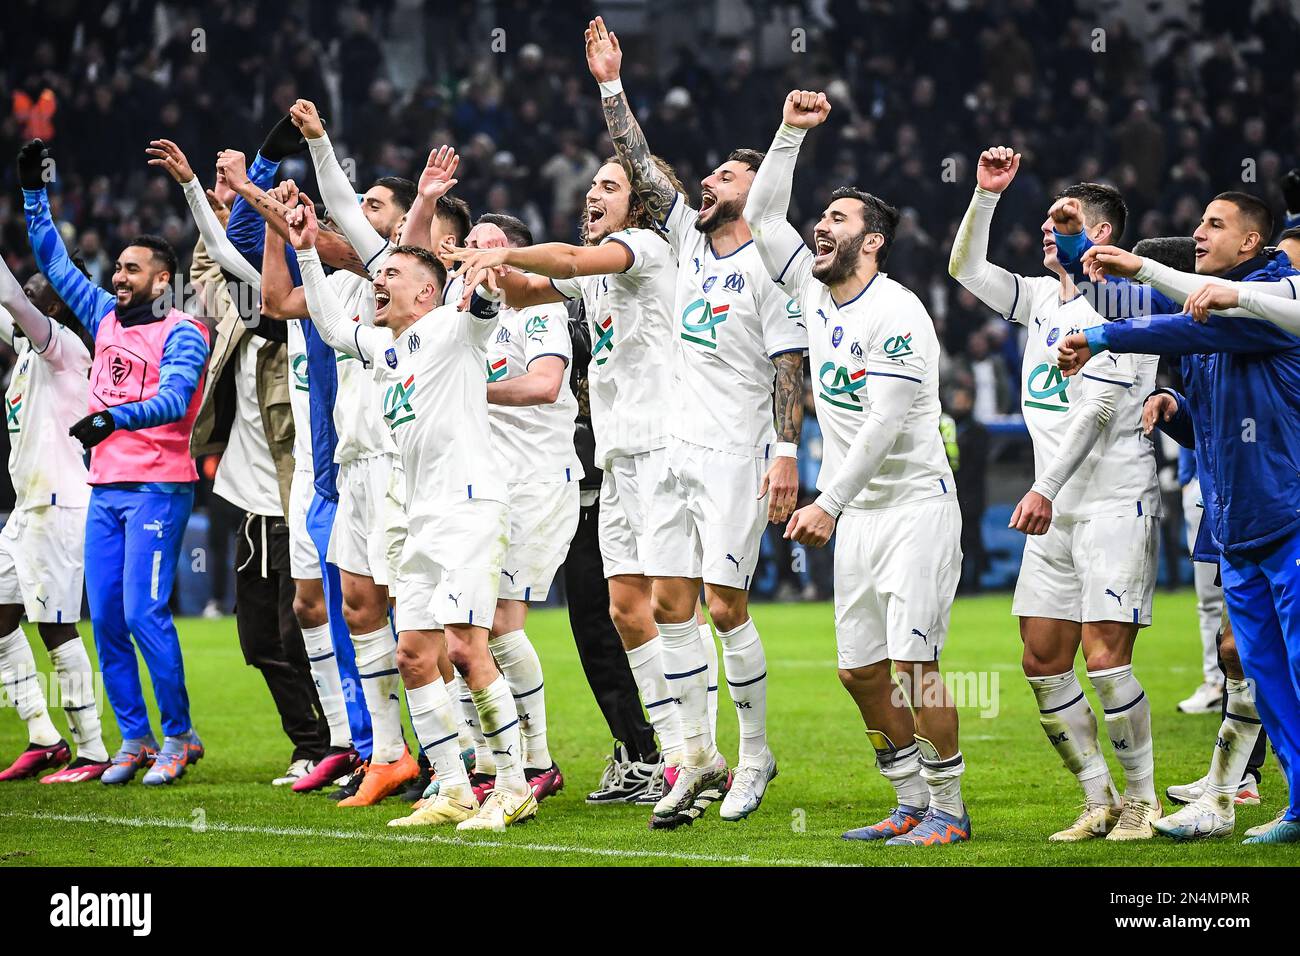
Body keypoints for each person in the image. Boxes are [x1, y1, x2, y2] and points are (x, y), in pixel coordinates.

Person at [586, 16, 807, 823]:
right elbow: (643, 168)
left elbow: (790, 362)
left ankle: (754, 758)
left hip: (735, 453)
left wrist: (786, 450)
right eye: (706, 175)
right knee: (671, 602)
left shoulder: (771, 265)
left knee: (723, 605)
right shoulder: (685, 238)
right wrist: (611, 82)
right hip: (672, 451)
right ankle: (695, 755)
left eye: (724, 177)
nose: (707, 183)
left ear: (758, 192)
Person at [746, 90, 969, 847]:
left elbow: (888, 422)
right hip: (859, 516)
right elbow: (765, 218)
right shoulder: (814, 292)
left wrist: (827, 500)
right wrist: (788, 133)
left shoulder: (898, 312)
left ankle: (950, 809)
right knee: (859, 671)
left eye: (839, 219)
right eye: (826, 216)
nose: (821, 226)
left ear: (872, 243)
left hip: (912, 507)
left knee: (916, 666)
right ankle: (909, 798)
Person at [449, 152, 690, 823]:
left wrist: (501, 261)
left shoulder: (641, 247)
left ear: (637, 204)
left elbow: (566, 265)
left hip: (662, 450)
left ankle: (702, 751)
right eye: (589, 184)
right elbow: (527, 292)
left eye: (608, 186)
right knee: (622, 610)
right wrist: (482, 276)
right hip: (617, 458)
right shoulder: (590, 281)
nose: (591, 192)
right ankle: (672, 757)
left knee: (682, 608)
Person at [289, 196, 538, 832]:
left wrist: (481, 278)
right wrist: (305, 252)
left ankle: (512, 785)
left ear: (427, 292)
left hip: (470, 507)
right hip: (419, 515)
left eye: (391, 275)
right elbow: (329, 327)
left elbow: (483, 313)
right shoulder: (386, 348)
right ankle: (453, 787)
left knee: (465, 645)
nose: (378, 281)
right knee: (413, 653)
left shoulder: (454, 329)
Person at [1058, 191, 1300, 844]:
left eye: (1214, 225)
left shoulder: (1270, 294)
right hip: (1237, 529)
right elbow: (1212, 417)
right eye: (1197, 222)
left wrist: (1104, 335)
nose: (1198, 232)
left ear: (1251, 242)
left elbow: (1169, 323)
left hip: (1290, 516)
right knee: (1265, 678)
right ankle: (1298, 805)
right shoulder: (1208, 308)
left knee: (1295, 667)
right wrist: (1080, 249)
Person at [949, 147, 1164, 841]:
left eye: (1064, 221)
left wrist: (1041, 488)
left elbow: (1098, 411)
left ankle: (1142, 799)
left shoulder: (1126, 301)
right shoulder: (1041, 298)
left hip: (1112, 497)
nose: (1047, 229)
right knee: (1042, 658)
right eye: (1046, 221)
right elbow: (965, 270)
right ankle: (1096, 797)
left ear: (1099, 234)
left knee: (1105, 661)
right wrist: (985, 197)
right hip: (1056, 510)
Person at [21, 137, 210, 786]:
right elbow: (52, 257)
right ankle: (133, 739)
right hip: (105, 488)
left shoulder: (184, 330)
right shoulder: (103, 317)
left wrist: (110, 418)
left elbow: (176, 398)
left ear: (162, 279)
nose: (118, 277)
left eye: (132, 270)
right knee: (104, 617)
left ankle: (179, 737)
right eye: (118, 268)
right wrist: (32, 195)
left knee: (142, 613)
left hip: (160, 487)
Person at [146, 138, 333, 788]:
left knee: (297, 633)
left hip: (295, 500)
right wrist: (202, 188)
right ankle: (310, 742)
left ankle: (334, 742)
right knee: (259, 643)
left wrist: (239, 186)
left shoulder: (298, 326)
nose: (254, 292)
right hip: (249, 501)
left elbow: (230, 256)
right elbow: (215, 260)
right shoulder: (238, 319)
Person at [0, 256, 109, 784]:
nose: (26, 289)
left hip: (59, 505)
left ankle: (92, 750)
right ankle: (44, 738)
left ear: (56, 302)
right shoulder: (27, 349)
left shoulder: (64, 347)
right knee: (0, 619)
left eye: (37, 285)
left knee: (54, 625)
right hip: (26, 508)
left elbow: (12, 300)